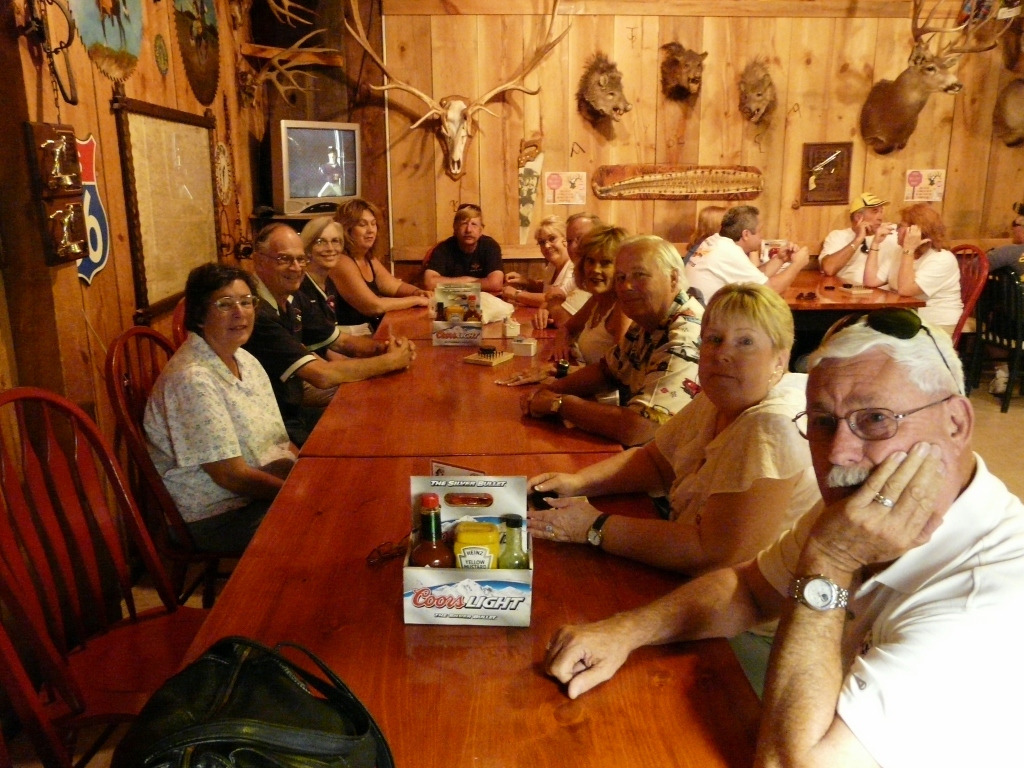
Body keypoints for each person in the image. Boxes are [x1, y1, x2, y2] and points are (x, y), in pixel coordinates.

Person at [544, 308, 1024, 767]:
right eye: (823, 422)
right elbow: (751, 590)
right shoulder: (868, 502)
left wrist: (828, 562)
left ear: (957, 422)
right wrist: (626, 631)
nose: (840, 452)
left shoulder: (987, 600)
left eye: (876, 419)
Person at [526, 283, 820, 575]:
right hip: (689, 569)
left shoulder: (772, 426)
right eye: (714, 339)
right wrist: (577, 482)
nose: (722, 354)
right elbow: (657, 461)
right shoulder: (719, 396)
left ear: (779, 360)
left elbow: (714, 553)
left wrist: (594, 526)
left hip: (741, 607)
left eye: (745, 342)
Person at [144, 264, 296, 551]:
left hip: (259, 490)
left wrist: (308, 475)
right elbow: (230, 476)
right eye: (225, 304)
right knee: (325, 526)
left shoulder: (245, 360)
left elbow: (281, 441)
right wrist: (298, 495)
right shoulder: (192, 378)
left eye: (247, 302)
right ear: (200, 316)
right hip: (217, 514)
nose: (240, 312)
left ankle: (409, 590)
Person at [244, 223, 416, 446]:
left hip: (293, 408)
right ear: (259, 261)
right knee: (371, 423)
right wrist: (390, 361)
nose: (296, 267)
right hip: (273, 424)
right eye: (284, 259)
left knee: (380, 413)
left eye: (300, 259)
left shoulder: (291, 295)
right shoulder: (254, 312)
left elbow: (340, 340)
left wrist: (385, 347)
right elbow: (321, 375)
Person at [522, 235, 702, 447]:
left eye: (639, 275)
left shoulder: (685, 335)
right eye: (621, 277)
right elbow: (606, 370)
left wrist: (558, 404)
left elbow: (640, 428)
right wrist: (551, 390)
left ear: (673, 278)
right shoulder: (649, 319)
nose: (626, 286)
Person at [497, 225, 632, 386]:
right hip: (585, 386)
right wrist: (562, 341)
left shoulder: (623, 309)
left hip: (604, 400)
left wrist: (555, 370)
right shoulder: (597, 299)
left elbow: (617, 372)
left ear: (621, 268)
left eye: (605, 263)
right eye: (590, 261)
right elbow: (567, 327)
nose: (595, 269)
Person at [325, 199, 430, 330]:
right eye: (362, 225)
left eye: (373, 224)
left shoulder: (368, 258)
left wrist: (418, 292)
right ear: (347, 229)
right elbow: (373, 306)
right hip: (349, 338)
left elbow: (394, 286)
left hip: (368, 330)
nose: (370, 230)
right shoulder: (341, 261)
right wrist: (417, 300)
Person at [864, 203, 962, 334]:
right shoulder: (899, 252)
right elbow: (871, 281)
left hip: (934, 324)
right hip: (905, 318)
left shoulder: (942, 258)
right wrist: (875, 243)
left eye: (900, 226)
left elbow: (906, 289)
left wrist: (909, 250)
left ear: (917, 230)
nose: (896, 231)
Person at [685, 204, 810, 303]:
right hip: (703, 330)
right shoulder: (728, 251)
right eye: (760, 231)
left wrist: (780, 259)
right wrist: (797, 264)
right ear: (746, 234)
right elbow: (769, 291)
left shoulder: (716, 241)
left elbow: (753, 280)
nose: (762, 237)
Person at [502, 216, 578, 326]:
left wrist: (516, 294)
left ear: (565, 239)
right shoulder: (552, 266)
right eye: (542, 242)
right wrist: (527, 282)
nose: (546, 246)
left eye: (552, 239)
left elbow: (554, 298)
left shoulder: (574, 266)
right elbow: (547, 289)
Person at [818, 192, 900, 284]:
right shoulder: (838, 236)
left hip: (883, 292)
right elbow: (829, 269)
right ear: (858, 217)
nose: (880, 217)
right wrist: (859, 239)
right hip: (846, 292)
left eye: (881, 211)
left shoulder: (892, 234)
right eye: (875, 211)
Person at [423, 204, 504, 292]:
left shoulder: (490, 246)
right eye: (464, 223)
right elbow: (429, 283)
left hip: (484, 299)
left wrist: (456, 283)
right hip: (451, 300)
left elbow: (496, 284)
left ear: (481, 230)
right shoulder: (443, 248)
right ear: (455, 227)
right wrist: (469, 280)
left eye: (474, 224)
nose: (468, 230)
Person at [549, 212, 602, 325]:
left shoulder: (597, 275)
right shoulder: (580, 272)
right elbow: (557, 294)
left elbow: (563, 320)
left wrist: (553, 302)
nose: (573, 247)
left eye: (580, 239)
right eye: (569, 241)